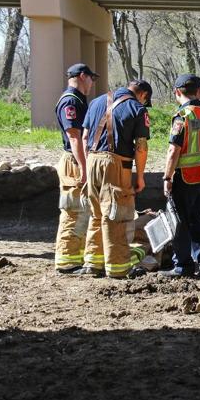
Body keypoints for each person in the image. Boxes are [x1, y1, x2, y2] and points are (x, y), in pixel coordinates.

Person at [80, 79, 152, 278]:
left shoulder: (96, 101)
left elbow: (85, 137)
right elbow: (141, 147)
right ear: (143, 95)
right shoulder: (138, 108)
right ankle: (118, 267)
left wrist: (88, 167)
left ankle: (92, 263)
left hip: (91, 159)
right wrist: (140, 176)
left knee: (96, 213)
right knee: (117, 216)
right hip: (116, 163)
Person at [161, 74, 200, 281]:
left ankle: (183, 266)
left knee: (180, 222)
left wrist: (167, 177)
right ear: (197, 91)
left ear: (177, 92)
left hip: (186, 176)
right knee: (198, 221)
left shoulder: (183, 116)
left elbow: (173, 150)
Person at [53, 63, 93, 273]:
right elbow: (74, 137)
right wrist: (84, 168)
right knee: (73, 210)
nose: (92, 83)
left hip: (78, 160)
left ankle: (75, 258)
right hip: (74, 161)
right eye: (91, 78)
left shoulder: (78, 100)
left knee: (82, 210)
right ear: (82, 76)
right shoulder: (71, 101)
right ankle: (67, 261)